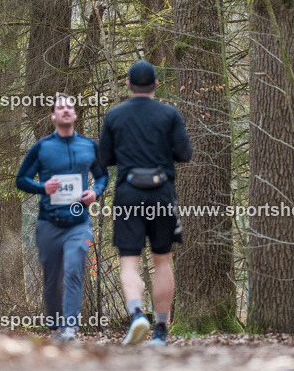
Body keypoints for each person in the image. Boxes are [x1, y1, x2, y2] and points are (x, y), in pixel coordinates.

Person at [98, 60, 192, 347]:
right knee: (162, 261)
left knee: (129, 262)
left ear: (127, 85)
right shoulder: (169, 114)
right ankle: (161, 331)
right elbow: (185, 153)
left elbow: (103, 159)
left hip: (128, 193)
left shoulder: (115, 116)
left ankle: (137, 314)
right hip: (161, 193)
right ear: (155, 85)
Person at [16, 94, 108, 342]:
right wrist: (42, 187)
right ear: (54, 116)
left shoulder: (89, 146)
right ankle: (55, 328)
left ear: (75, 114)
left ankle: (70, 328)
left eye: (69, 107)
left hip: (79, 222)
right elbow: (21, 179)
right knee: (52, 278)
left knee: (74, 271)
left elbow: (102, 176)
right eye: (60, 108)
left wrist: (95, 192)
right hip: (48, 223)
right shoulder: (43, 147)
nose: (65, 111)